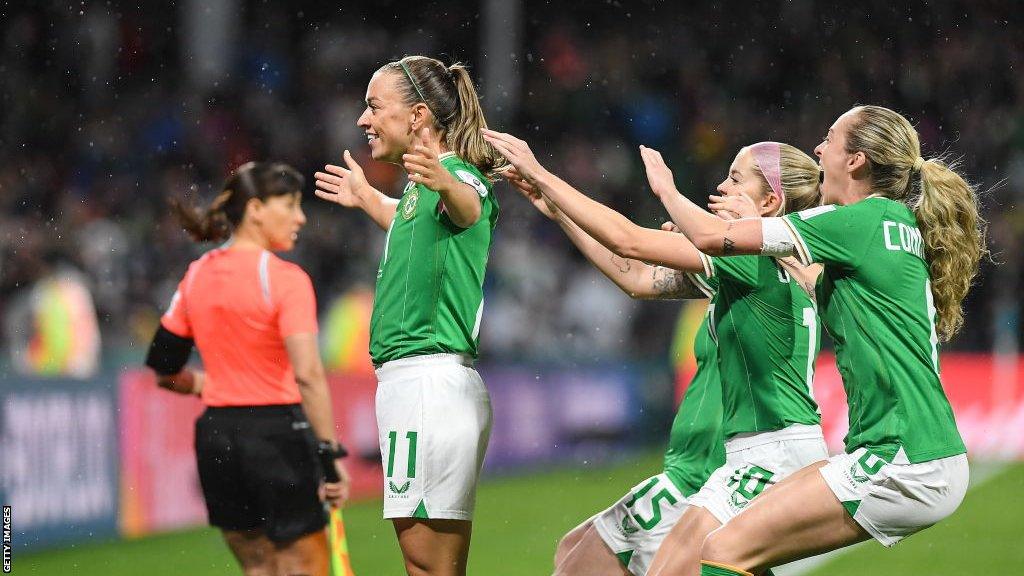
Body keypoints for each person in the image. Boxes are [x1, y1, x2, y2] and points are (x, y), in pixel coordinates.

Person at [642, 105, 984, 576]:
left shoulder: (857, 220)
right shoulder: (890, 226)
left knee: (724, 550)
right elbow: (797, 269)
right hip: (917, 451)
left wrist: (666, 189)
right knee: (739, 548)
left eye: (830, 139)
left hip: (902, 456)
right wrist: (738, 235)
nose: (819, 150)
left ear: (857, 160)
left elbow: (708, 234)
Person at [484, 130, 825, 576]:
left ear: (769, 203)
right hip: (719, 462)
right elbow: (640, 277)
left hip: (743, 461)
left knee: (593, 562)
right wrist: (560, 212)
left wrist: (543, 175)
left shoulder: (750, 259)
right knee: (576, 553)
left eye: (736, 180)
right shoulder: (763, 265)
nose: (721, 188)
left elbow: (630, 242)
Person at [313, 55, 506, 576]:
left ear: (418, 115)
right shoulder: (418, 193)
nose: (363, 119)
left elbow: (468, 205)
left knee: (428, 569)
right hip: (422, 387)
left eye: (374, 106)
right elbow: (414, 223)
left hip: (427, 387)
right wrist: (369, 198)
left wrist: (446, 183)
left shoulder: (457, 179)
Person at [144, 161, 349, 576]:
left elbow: (164, 369)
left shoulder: (196, 274)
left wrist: (213, 383)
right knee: (304, 569)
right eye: (290, 205)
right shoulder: (284, 279)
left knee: (258, 568)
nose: (300, 217)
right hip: (277, 437)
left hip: (217, 441)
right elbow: (308, 375)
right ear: (255, 209)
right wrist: (329, 455)